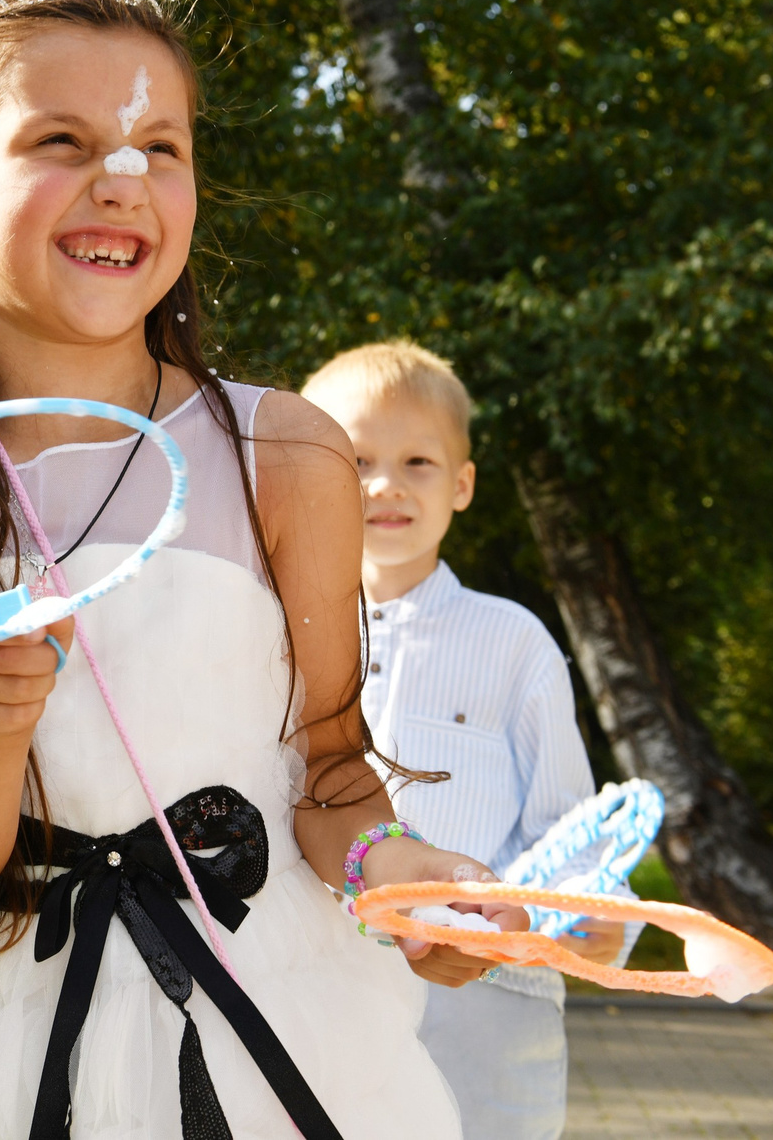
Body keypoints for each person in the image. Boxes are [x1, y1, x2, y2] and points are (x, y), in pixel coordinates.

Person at [0, 0, 518, 1140]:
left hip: (261, 1019)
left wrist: (396, 873)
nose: (121, 181)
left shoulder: (285, 455)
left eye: (160, 147)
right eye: (59, 141)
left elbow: (327, 768)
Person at [301, 341, 629, 1140]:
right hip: (324, 987)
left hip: (489, 1001)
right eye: (358, 461)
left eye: (417, 461)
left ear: (462, 483)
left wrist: (603, 915)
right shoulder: (287, 633)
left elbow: (567, 823)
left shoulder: (514, 641)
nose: (385, 484)